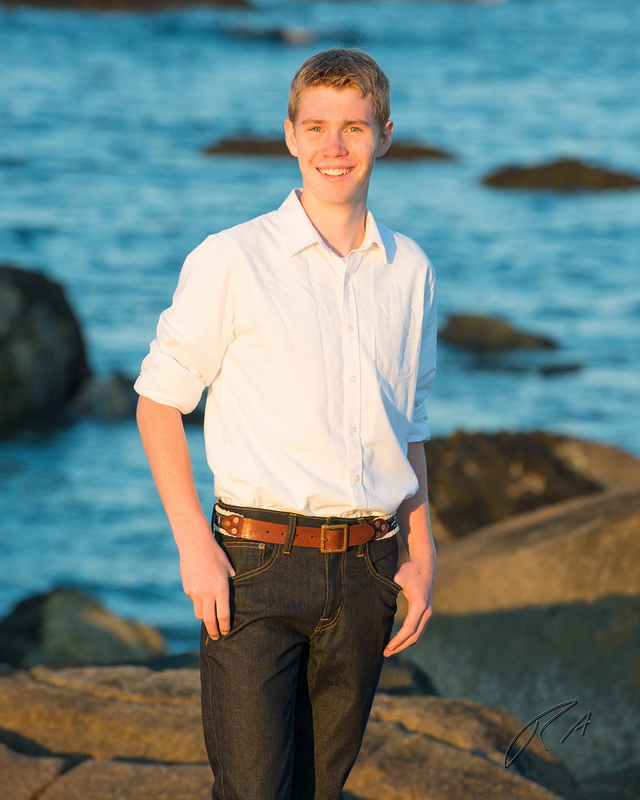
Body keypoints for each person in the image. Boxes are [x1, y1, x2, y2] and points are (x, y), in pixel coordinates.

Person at [135, 48, 437, 800]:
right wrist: (195, 549)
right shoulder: (232, 259)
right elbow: (157, 402)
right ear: (290, 136)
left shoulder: (411, 270)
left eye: (354, 129)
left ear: (386, 135)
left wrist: (424, 558)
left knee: (318, 792)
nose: (335, 147)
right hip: (252, 570)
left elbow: (411, 425)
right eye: (317, 128)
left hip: (370, 570)